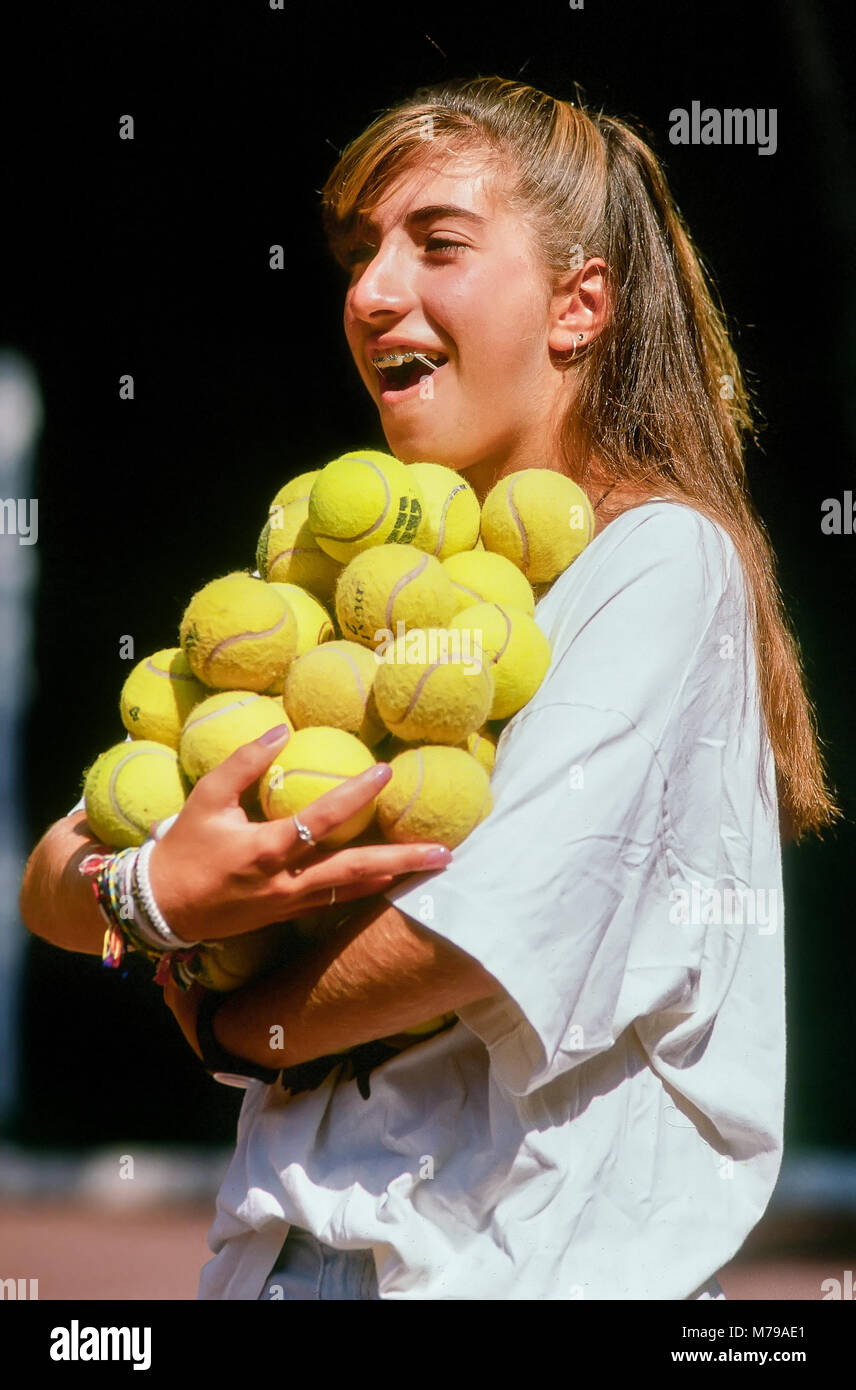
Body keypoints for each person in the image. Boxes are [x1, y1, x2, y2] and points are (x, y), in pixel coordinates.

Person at [20, 76, 838, 1301]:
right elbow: (54, 882)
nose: (368, 291)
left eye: (435, 244)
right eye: (358, 253)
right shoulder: (335, 576)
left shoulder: (661, 561)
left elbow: (485, 932)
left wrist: (236, 1021)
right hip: (283, 1266)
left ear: (579, 303)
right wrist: (149, 896)